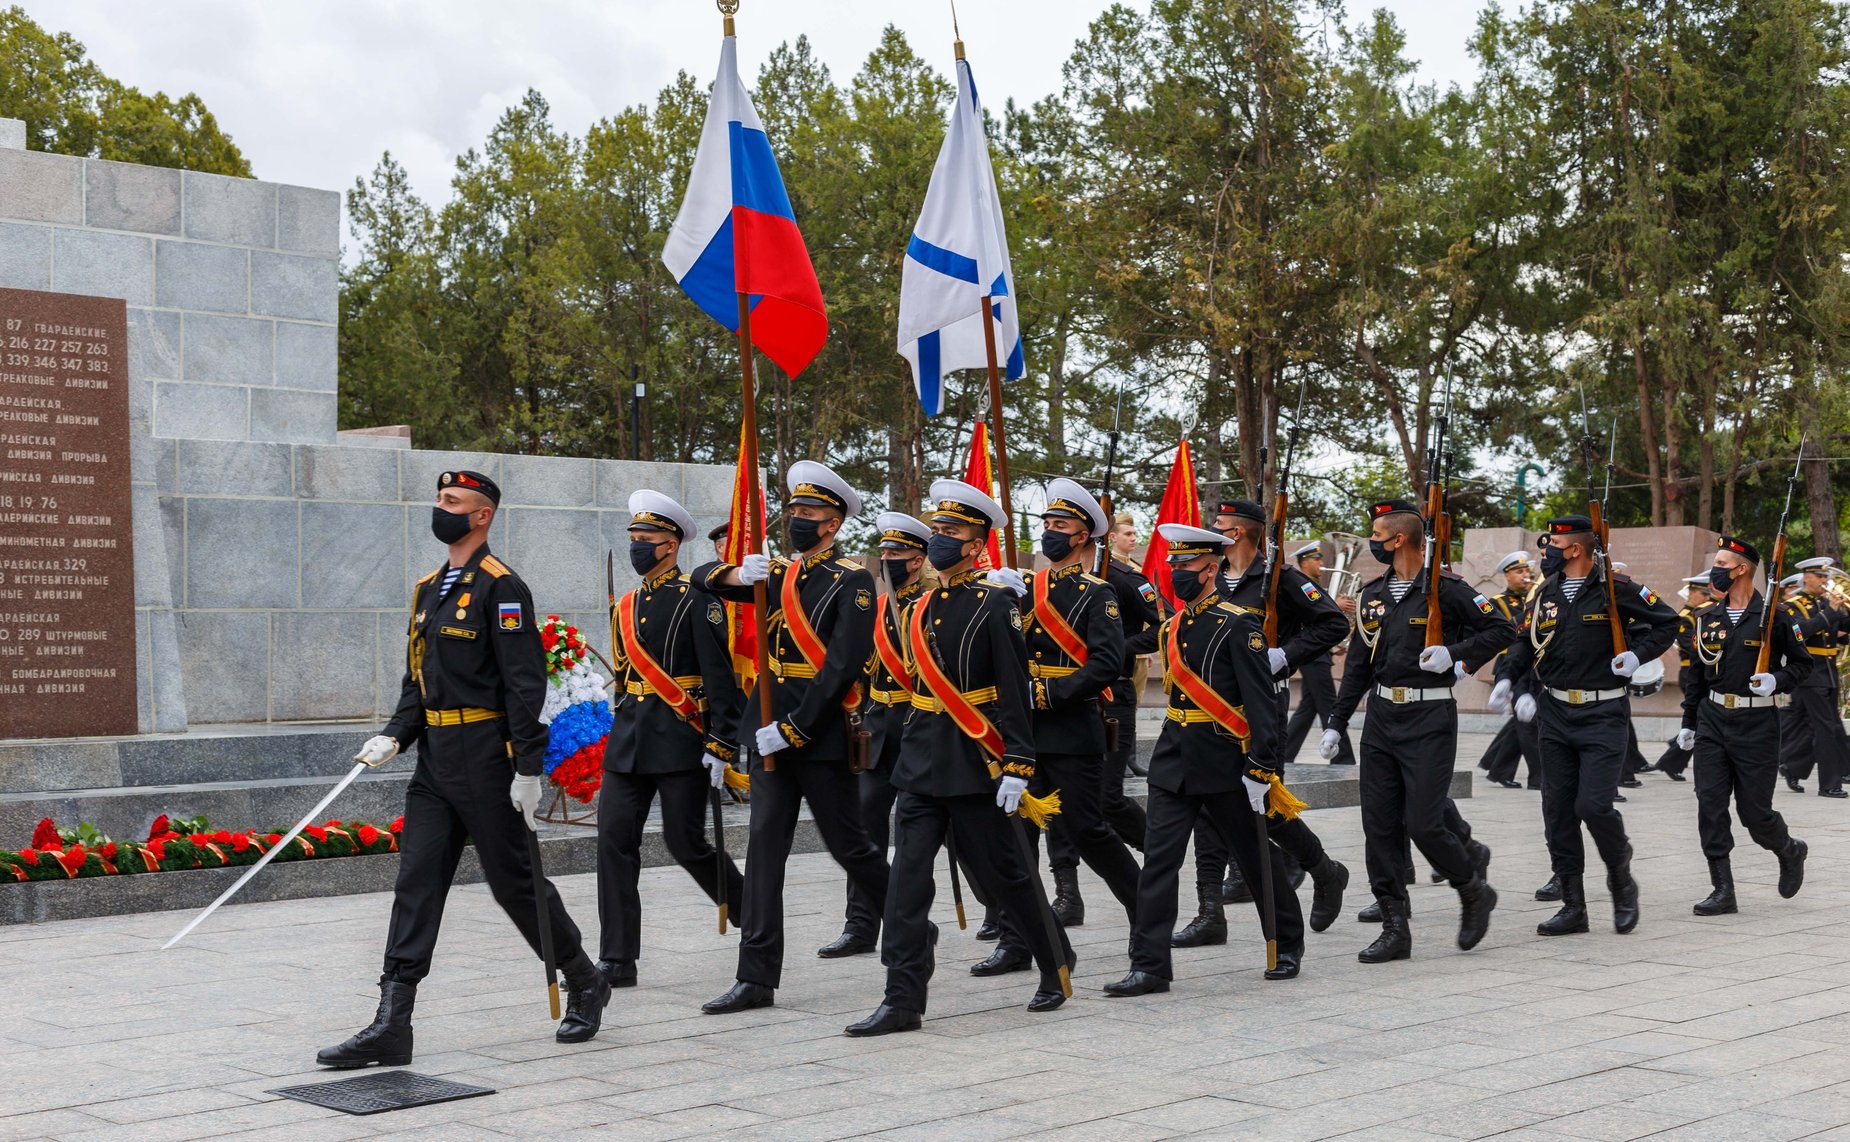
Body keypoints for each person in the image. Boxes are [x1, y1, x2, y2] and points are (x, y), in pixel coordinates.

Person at [320, 470, 608, 1068]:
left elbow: (524, 684)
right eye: (439, 499)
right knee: (417, 883)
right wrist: (393, 736)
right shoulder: (429, 588)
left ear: (482, 515)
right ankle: (392, 1023)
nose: (441, 508)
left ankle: (583, 977)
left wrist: (528, 769)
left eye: (453, 502)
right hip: (435, 761)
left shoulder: (502, 588)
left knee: (514, 886)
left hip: (486, 757)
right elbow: (416, 680)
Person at [844, 480, 1075, 1036]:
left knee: (1009, 875)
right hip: (921, 759)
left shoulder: (996, 605)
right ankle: (902, 997)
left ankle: (1054, 961)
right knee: (906, 884)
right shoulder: (919, 605)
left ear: (976, 546)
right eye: (938, 531)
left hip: (975, 761)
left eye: (953, 533)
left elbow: (1015, 690)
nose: (941, 540)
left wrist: (1018, 764)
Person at [694, 461, 891, 1014]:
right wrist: (738, 573)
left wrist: (795, 728)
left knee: (849, 846)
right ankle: (755, 977)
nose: (797, 521)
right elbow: (701, 581)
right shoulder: (779, 574)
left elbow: (843, 666)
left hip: (819, 734)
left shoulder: (851, 580)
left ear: (832, 524)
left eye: (808, 514)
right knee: (763, 851)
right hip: (767, 727)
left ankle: (909, 924)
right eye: (794, 512)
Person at [1104, 523, 1306, 996]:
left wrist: (1261, 768)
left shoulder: (1239, 626)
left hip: (1225, 763)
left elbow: (1262, 706)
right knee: (1159, 862)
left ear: (1211, 568)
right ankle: (1150, 966)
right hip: (1174, 760)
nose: (1177, 572)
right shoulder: (1172, 627)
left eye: (1186, 565)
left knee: (1255, 857)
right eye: (1173, 564)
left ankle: (1287, 942)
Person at [1327, 499, 1514, 962]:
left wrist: (1458, 655)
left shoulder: (1446, 589)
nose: (1372, 539)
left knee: (1425, 824)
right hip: (1381, 720)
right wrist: (1336, 721)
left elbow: (1501, 629)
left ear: (1399, 539)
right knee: (1379, 824)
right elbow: (1358, 664)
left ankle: (1472, 889)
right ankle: (1395, 926)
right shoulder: (1372, 594)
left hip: (1429, 719)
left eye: (1377, 532)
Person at [976, 480, 1142, 971]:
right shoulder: (1023, 589)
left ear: (1082, 536)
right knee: (1018, 835)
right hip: (1024, 731)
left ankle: (1145, 913)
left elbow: (1107, 664)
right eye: (1046, 524)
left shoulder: (1099, 593)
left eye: (1060, 525)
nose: (1049, 532)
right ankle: (1017, 939)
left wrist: (1048, 692)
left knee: (1088, 830)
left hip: (1071, 729)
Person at [1493, 516, 1679, 937]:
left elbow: (1668, 622)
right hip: (1555, 713)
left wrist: (1638, 655)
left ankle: (1620, 877)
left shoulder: (1617, 588)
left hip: (1603, 714)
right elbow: (1525, 640)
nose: (1547, 552)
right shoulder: (1546, 593)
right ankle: (1574, 906)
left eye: (1554, 544)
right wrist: (1508, 677)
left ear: (1575, 549)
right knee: (1556, 811)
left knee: (1593, 806)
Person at [1176, 499, 1350, 945]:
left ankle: (1324, 870)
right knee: (1205, 811)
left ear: (1240, 533)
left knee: (1264, 808)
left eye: (1221, 525)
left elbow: (1332, 623)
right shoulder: (1208, 577)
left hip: (1256, 709)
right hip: (1206, 710)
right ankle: (1209, 910)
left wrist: (1284, 654)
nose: (1213, 530)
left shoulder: (1279, 579)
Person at [594, 491, 748, 989]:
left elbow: (721, 679)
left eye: (646, 540)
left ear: (670, 546)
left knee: (687, 843)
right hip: (631, 737)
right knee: (615, 843)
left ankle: (755, 916)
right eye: (634, 539)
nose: (638, 547)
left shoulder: (696, 598)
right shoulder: (627, 603)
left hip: (680, 738)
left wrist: (723, 743)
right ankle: (617, 958)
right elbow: (624, 672)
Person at [1681, 535, 1814, 915]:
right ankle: (1723, 889)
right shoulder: (1706, 616)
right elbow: (1696, 676)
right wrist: (1689, 722)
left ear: (1742, 570)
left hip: (1756, 723)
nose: (1715, 573)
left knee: (1755, 814)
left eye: (1721, 565)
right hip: (1712, 720)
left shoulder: (1775, 615)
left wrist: (1778, 680)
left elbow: (1803, 664)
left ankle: (1789, 849)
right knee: (1710, 804)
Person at [822, 512, 932, 958]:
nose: (887, 560)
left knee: (925, 833)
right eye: (883, 552)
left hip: (921, 727)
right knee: (863, 827)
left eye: (897, 553)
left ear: (917, 559)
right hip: (876, 728)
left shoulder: (932, 604)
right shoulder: (879, 607)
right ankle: (862, 924)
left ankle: (998, 915)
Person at [1778, 558, 1850, 798]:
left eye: (1825, 577)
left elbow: (1842, 631)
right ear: (1805, 577)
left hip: (1828, 671)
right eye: (1819, 576)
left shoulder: (1824, 602)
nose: (1825, 581)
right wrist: (1830, 611)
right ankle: (1829, 784)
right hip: (1810, 672)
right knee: (1826, 727)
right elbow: (1801, 633)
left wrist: (1840, 611)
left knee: (1824, 726)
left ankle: (1793, 766)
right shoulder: (1792, 605)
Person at [1279, 542, 1355, 766]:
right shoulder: (1297, 583)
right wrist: (1336, 606)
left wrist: (1335, 644)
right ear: (1304, 562)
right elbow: (1307, 619)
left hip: (1318, 653)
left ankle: (1285, 753)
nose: (1321, 563)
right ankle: (1344, 758)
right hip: (1310, 653)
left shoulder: (1313, 584)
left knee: (1309, 707)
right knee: (1330, 704)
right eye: (1316, 559)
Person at [1476, 551, 1542, 790]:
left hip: (1533, 663)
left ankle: (1498, 767)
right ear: (1507, 575)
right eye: (1519, 572)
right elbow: (1507, 632)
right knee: (1529, 722)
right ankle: (1539, 777)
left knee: (1524, 719)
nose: (1526, 575)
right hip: (1511, 664)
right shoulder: (1499, 602)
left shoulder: (1537, 597)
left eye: (1527, 571)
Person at [1647, 574, 1714, 783]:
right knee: (1703, 719)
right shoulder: (1686, 616)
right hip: (1690, 673)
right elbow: (1688, 644)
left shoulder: (1703, 613)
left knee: (1701, 719)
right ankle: (1672, 759)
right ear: (1692, 592)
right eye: (1702, 594)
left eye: (1707, 594)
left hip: (1703, 673)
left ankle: (1674, 750)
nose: (1705, 598)